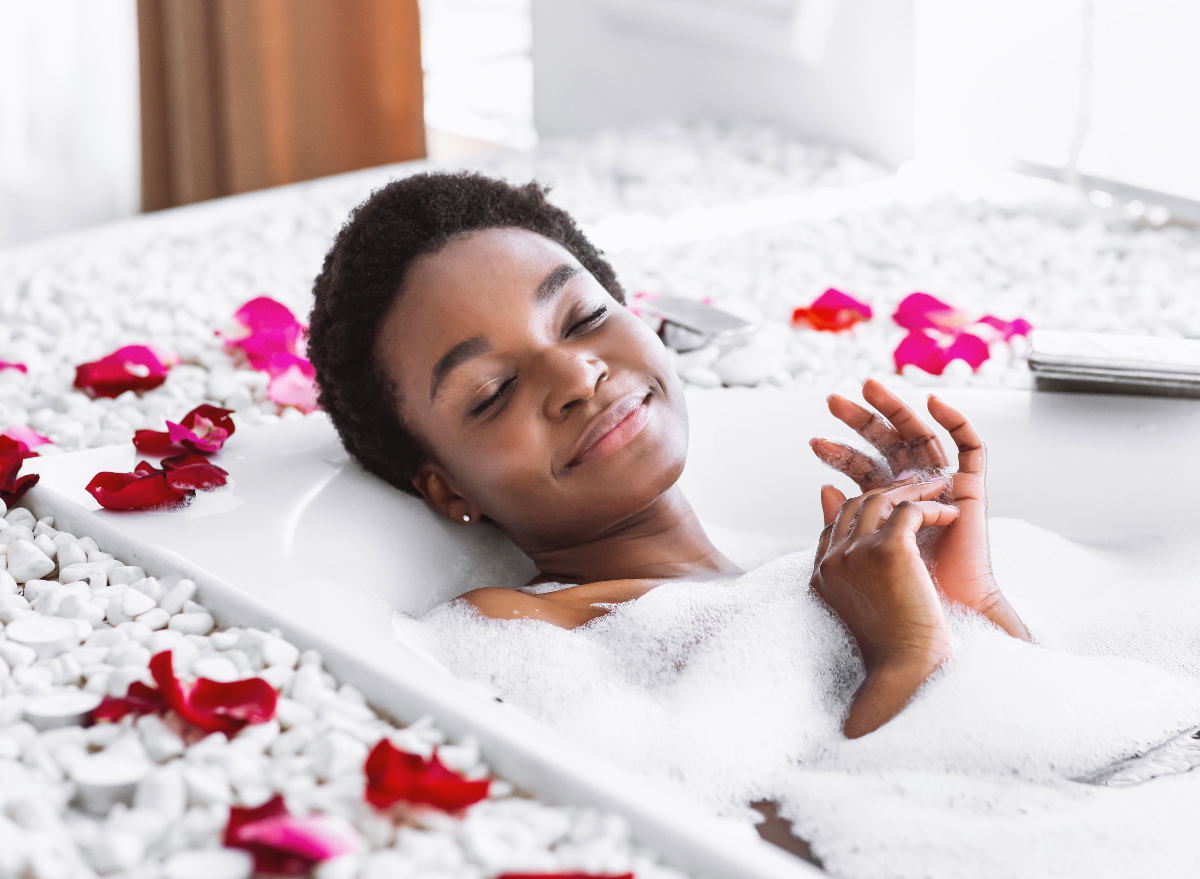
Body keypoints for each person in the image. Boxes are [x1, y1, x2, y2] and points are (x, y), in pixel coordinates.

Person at [307, 172, 1030, 739]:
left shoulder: (806, 572)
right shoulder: (519, 631)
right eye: (494, 390)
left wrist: (966, 600)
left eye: (585, 318)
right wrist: (904, 652)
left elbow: (1041, 757)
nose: (577, 376)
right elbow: (775, 832)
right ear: (446, 489)